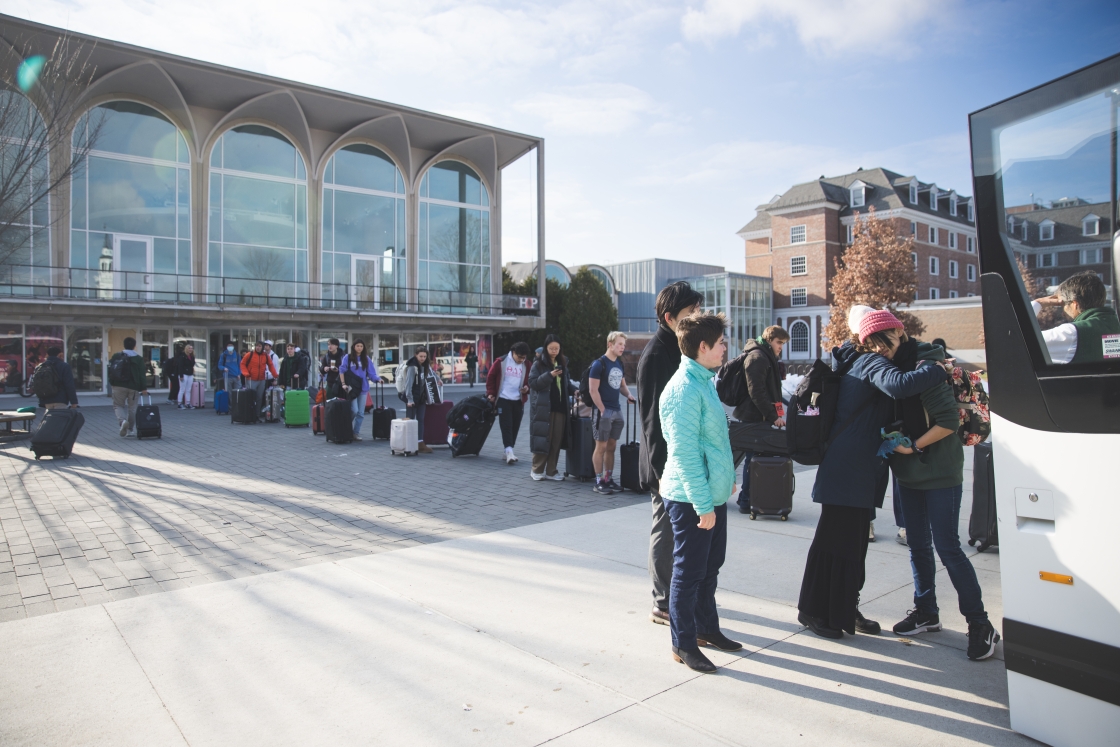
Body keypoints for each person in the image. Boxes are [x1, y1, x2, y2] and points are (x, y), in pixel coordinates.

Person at [796, 309, 948, 640]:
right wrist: (938, 369)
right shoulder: (872, 362)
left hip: (854, 467)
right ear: (879, 336)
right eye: (896, 335)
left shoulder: (859, 361)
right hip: (848, 467)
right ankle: (813, 611)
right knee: (834, 542)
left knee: (851, 544)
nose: (900, 342)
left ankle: (844, 606)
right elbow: (899, 386)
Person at [886, 337, 1001, 660]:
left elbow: (948, 423)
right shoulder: (892, 369)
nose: (877, 348)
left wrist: (913, 447)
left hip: (939, 472)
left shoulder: (927, 367)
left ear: (896, 335)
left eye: (880, 341)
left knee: (947, 547)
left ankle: (980, 624)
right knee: (918, 544)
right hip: (909, 473)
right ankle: (926, 611)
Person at [660, 311, 741, 673]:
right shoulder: (683, 389)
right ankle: (683, 642)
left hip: (711, 494)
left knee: (710, 568)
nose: (726, 347)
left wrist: (726, 482)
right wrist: (703, 504)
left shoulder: (705, 380)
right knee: (689, 572)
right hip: (689, 497)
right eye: (721, 342)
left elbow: (715, 442)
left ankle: (708, 630)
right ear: (703, 347)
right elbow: (685, 454)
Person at [637, 281, 703, 626]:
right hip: (667, 465)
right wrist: (663, 471)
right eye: (690, 313)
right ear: (669, 317)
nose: (697, 317)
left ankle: (678, 595)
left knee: (684, 532)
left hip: (685, 459)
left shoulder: (683, 349)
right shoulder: (656, 355)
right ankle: (663, 602)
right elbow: (651, 419)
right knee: (666, 529)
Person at [732, 325, 789, 514]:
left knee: (752, 458)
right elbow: (756, 391)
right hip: (753, 417)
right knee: (752, 459)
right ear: (769, 339)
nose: (781, 346)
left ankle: (747, 499)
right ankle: (746, 500)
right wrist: (773, 416)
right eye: (779, 342)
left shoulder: (765, 356)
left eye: (783, 343)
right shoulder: (758, 357)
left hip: (756, 416)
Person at [1033, 271, 1120, 364]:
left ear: (1075, 304)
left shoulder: (1071, 333)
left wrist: (1038, 303)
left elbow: (1022, 343)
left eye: (1063, 306)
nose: (1063, 313)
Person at [589, 331, 636, 495]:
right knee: (600, 446)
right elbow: (593, 390)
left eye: (624, 344)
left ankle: (608, 479)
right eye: (619, 344)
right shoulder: (599, 364)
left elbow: (622, 386)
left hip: (617, 410)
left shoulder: (619, 364)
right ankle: (598, 481)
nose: (623, 347)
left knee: (612, 446)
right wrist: (602, 409)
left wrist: (629, 395)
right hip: (603, 411)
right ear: (610, 344)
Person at [527, 335, 576, 480]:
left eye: (557, 348)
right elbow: (533, 383)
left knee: (556, 440)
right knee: (543, 438)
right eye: (551, 348)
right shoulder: (538, 364)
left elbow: (566, 383)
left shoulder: (562, 363)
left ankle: (552, 470)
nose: (554, 351)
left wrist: (575, 390)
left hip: (560, 407)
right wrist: (549, 375)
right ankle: (536, 470)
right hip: (543, 408)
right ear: (545, 348)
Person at [486, 341, 531, 464]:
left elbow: (531, 381)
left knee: (515, 426)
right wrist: (491, 393)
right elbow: (490, 377)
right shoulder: (501, 362)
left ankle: (508, 449)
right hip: (503, 398)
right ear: (513, 352)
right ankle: (509, 451)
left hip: (518, 400)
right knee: (506, 425)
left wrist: (527, 388)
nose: (522, 360)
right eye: (519, 357)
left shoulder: (527, 364)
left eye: (524, 357)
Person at [339, 339, 380, 441]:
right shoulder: (347, 358)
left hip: (363, 388)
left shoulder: (366, 359)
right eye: (357, 346)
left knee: (361, 413)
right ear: (353, 347)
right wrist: (343, 384)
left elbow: (371, 373)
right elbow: (342, 371)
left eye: (361, 346)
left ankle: (355, 433)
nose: (359, 348)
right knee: (354, 410)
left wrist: (378, 379)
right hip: (351, 388)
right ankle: (345, 427)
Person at [402, 347, 441, 453]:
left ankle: (420, 443)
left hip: (422, 397)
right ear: (416, 355)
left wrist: (438, 380)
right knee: (410, 421)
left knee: (421, 420)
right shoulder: (412, 367)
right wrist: (409, 399)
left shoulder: (426, 365)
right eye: (421, 356)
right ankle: (407, 443)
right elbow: (408, 384)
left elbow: (431, 373)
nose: (423, 358)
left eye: (424, 356)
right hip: (413, 398)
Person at [110, 337, 148, 437]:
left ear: (124, 345)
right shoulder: (138, 359)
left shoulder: (116, 356)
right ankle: (130, 430)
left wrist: (112, 382)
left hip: (118, 385)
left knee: (118, 405)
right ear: (134, 346)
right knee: (132, 408)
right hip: (133, 386)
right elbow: (142, 374)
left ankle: (122, 422)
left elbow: (111, 370)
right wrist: (143, 388)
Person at [35, 346, 80, 413]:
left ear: (47, 354)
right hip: (61, 399)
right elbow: (69, 385)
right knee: (60, 421)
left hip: (46, 399)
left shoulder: (41, 366)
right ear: (59, 354)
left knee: (50, 421)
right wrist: (74, 402)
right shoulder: (64, 366)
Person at [240, 341, 277, 410]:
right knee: (251, 397)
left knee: (259, 398)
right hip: (251, 379)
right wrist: (246, 373)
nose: (258, 347)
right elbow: (242, 364)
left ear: (262, 347)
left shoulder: (265, 355)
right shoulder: (249, 354)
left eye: (260, 346)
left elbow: (271, 365)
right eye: (257, 346)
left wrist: (275, 375)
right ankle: (250, 414)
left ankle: (257, 415)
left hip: (261, 379)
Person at [174, 344, 196, 410]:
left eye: (191, 348)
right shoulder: (182, 356)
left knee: (188, 389)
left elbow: (192, 364)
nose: (191, 349)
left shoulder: (192, 356)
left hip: (190, 374)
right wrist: (181, 375)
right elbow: (180, 366)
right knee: (182, 389)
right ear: (186, 349)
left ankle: (188, 403)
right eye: (189, 348)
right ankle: (179, 403)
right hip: (184, 374)